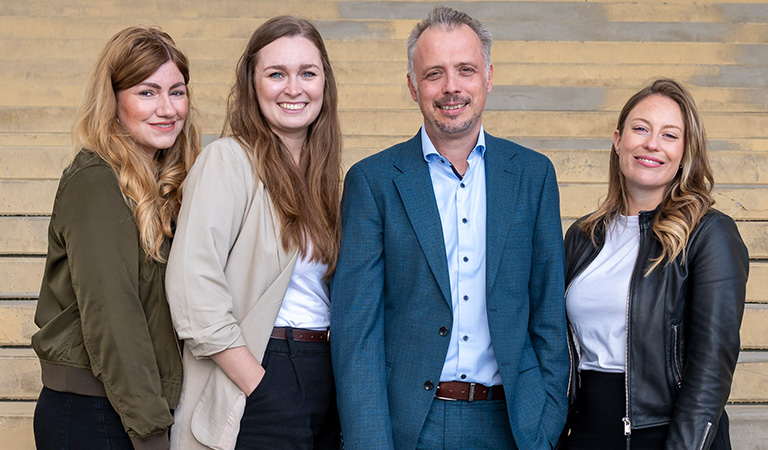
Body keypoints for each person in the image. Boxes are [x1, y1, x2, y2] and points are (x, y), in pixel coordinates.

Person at [331, 6, 569, 450]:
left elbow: (548, 314)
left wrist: (547, 418)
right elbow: (356, 331)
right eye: (434, 74)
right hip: (409, 427)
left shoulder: (533, 175)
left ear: (489, 77)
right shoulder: (373, 181)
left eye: (465, 70)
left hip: (513, 424)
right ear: (411, 85)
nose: (451, 87)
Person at [164, 16, 342, 450]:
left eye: (307, 73)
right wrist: (258, 385)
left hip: (324, 372)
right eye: (276, 74)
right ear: (252, 83)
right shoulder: (228, 161)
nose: (293, 88)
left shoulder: (324, 179)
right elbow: (192, 288)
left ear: (324, 83)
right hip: (261, 369)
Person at [31, 26, 199, 450]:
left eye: (176, 91)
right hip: (93, 413)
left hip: (132, 407)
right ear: (114, 100)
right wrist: (150, 434)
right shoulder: (97, 182)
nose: (167, 108)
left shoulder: (163, 181)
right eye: (147, 92)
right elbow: (113, 316)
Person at [562, 78, 749, 450]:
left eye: (669, 135)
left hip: (664, 432)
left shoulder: (709, 233)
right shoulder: (584, 236)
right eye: (641, 129)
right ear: (618, 140)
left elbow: (712, 366)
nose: (652, 144)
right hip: (587, 430)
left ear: (684, 152)